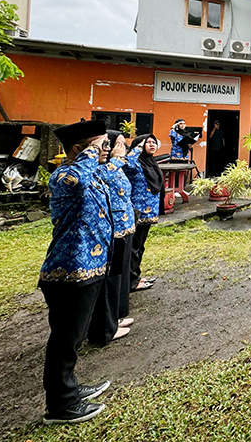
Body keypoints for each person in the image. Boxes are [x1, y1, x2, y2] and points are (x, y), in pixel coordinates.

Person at [39, 119, 113, 424]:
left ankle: (70, 388)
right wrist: (89, 152)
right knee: (64, 340)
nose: (107, 148)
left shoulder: (90, 173)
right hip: (69, 271)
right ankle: (60, 406)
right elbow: (78, 181)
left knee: (75, 336)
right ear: (79, 149)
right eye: (102, 144)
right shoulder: (64, 176)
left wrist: (96, 152)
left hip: (89, 268)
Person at [87, 131, 138, 346]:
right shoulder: (96, 168)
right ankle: (105, 327)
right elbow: (101, 178)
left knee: (119, 277)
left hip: (123, 228)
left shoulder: (115, 166)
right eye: (114, 144)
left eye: (121, 145)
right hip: (111, 231)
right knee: (109, 280)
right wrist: (116, 159)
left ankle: (115, 317)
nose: (117, 149)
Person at [124, 134, 164, 293]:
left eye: (154, 142)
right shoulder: (135, 163)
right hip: (137, 212)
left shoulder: (150, 162)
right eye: (148, 143)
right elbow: (127, 165)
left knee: (139, 247)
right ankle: (131, 281)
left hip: (149, 213)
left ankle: (136, 276)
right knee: (134, 247)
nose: (152, 145)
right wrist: (137, 149)